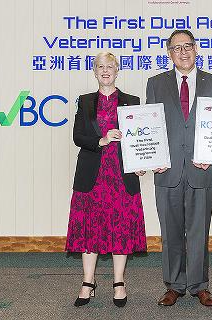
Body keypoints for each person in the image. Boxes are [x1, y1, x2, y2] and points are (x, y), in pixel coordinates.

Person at [146, 30, 212, 307]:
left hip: (201, 169)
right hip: (166, 170)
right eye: (176, 48)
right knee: (170, 232)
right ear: (169, 53)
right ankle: (174, 285)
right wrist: (150, 157)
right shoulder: (155, 83)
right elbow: (150, 127)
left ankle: (199, 285)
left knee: (198, 231)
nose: (183, 52)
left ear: (196, 49)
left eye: (188, 46)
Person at [65, 52, 147, 308]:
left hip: (122, 176)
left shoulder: (132, 101)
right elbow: (78, 136)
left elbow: (141, 137)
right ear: (94, 71)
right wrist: (101, 140)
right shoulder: (86, 101)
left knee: (120, 228)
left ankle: (119, 281)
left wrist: (141, 162)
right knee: (90, 228)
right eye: (100, 66)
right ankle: (88, 282)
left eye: (110, 66)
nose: (105, 70)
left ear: (117, 70)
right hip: (93, 175)